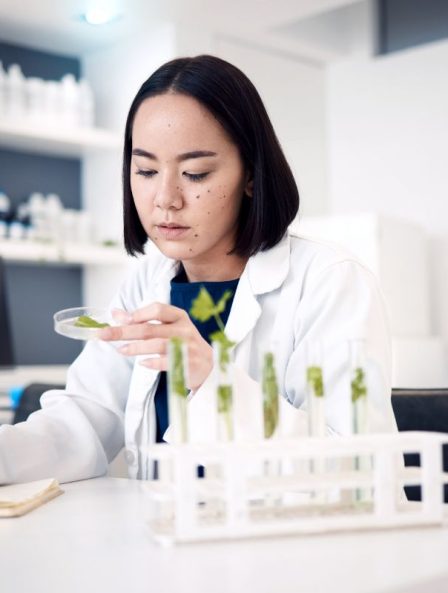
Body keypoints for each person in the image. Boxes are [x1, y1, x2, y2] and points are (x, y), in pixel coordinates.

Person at [0, 55, 397, 484]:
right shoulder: (145, 285)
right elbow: (83, 425)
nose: (165, 198)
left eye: (195, 172)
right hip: (163, 539)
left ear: (250, 174)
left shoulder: (329, 283)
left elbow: (363, 473)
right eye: (147, 170)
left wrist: (212, 378)